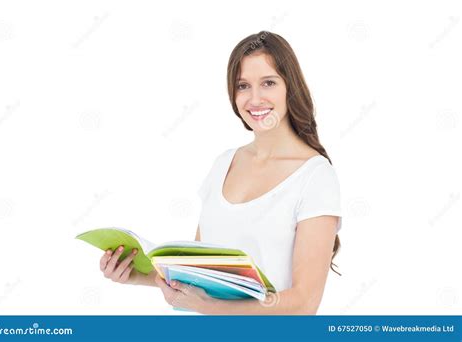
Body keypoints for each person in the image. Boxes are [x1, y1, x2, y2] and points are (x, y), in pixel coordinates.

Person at [99, 31, 342, 315]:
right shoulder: (224, 164)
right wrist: (135, 276)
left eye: (268, 83)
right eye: (242, 86)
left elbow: (304, 304)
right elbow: (204, 276)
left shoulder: (316, 177)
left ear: (291, 87)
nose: (255, 98)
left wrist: (211, 307)